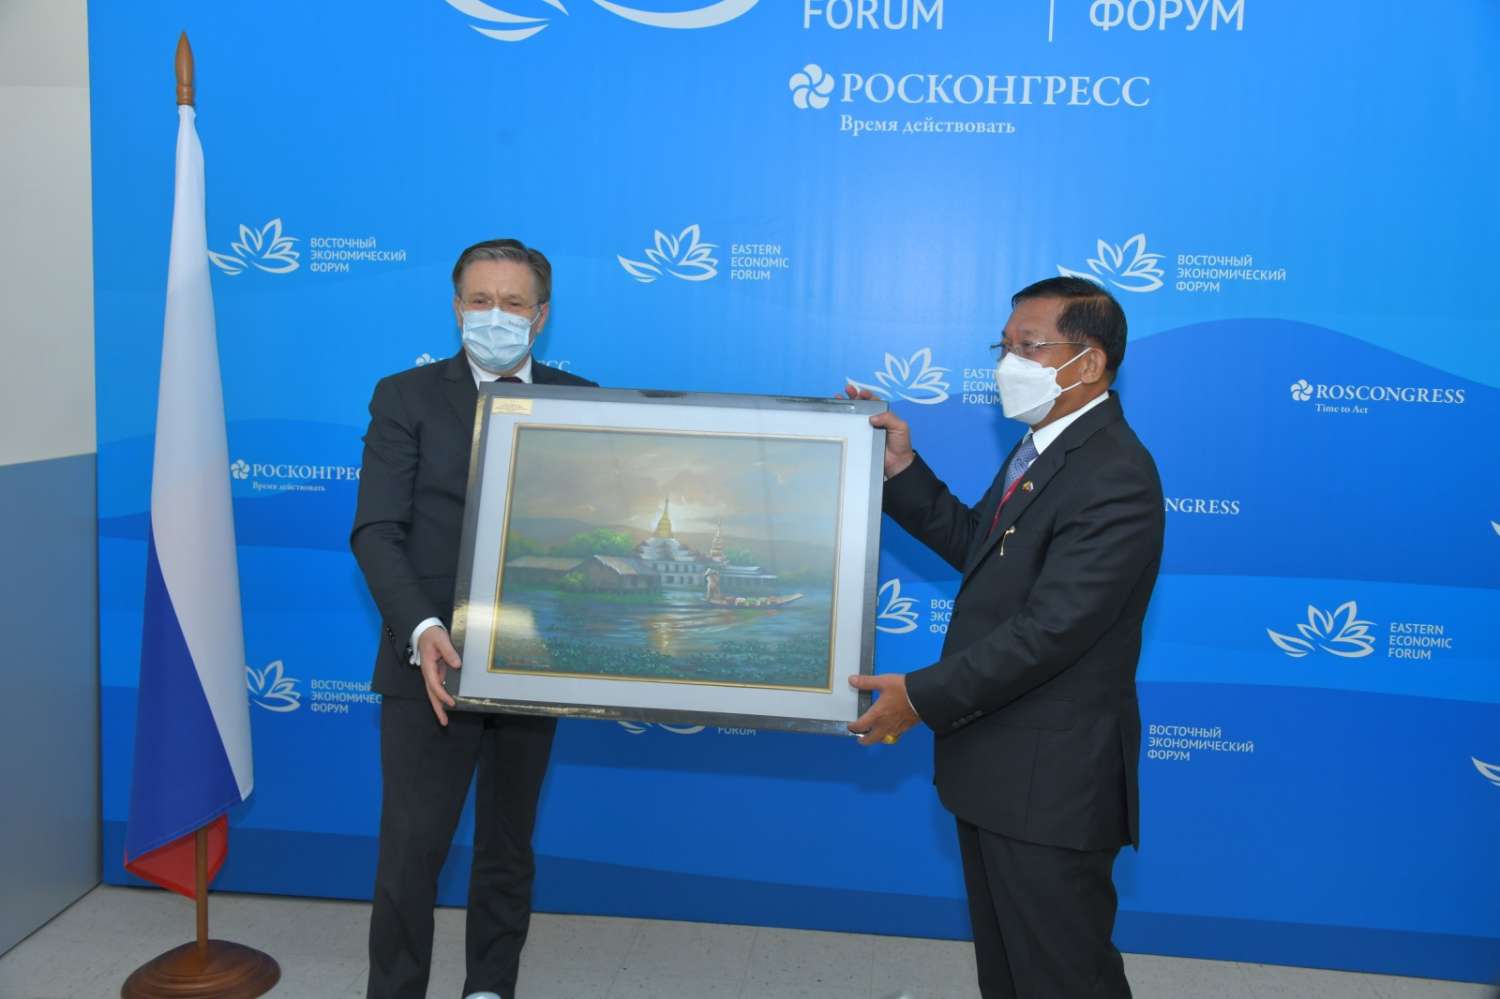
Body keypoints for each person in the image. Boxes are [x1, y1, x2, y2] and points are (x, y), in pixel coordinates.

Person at [847, 276, 1164, 998]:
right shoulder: (1043, 448)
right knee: (1009, 973)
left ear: (1089, 362)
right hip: (998, 766)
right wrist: (901, 468)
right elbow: (979, 548)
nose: (1009, 364)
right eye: (1005, 346)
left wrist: (919, 697)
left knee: (1061, 975)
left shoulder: (1114, 473)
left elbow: (1051, 630)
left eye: (1029, 347)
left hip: (1050, 783)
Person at [351, 238, 597, 999]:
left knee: (507, 845)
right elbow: (376, 531)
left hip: (534, 658)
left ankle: (490, 986)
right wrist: (423, 631)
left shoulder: (584, 402)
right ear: (458, 307)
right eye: (481, 300)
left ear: (541, 315)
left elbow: (594, 526)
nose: (496, 315)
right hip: (430, 661)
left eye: (513, 303)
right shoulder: (405, 396)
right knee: (411, 852)